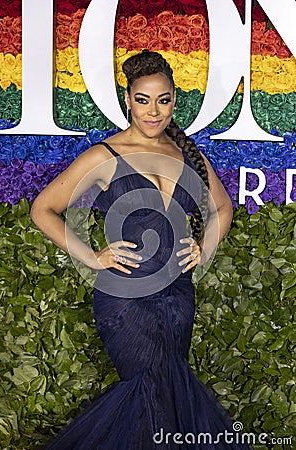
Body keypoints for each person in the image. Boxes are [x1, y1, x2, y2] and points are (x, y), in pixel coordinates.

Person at [31, 50, 250, 449]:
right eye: (143, 99)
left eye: (163, 100)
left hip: (179, 297)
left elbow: (222, 207)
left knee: (170, 392)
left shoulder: (188, 155)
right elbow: (42, 209)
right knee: (147, 392)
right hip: (125, 299)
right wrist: (93, 257)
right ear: (128, 100)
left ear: (174, 102)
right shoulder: (105, 155)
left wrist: (204, 247)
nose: (154, 111)